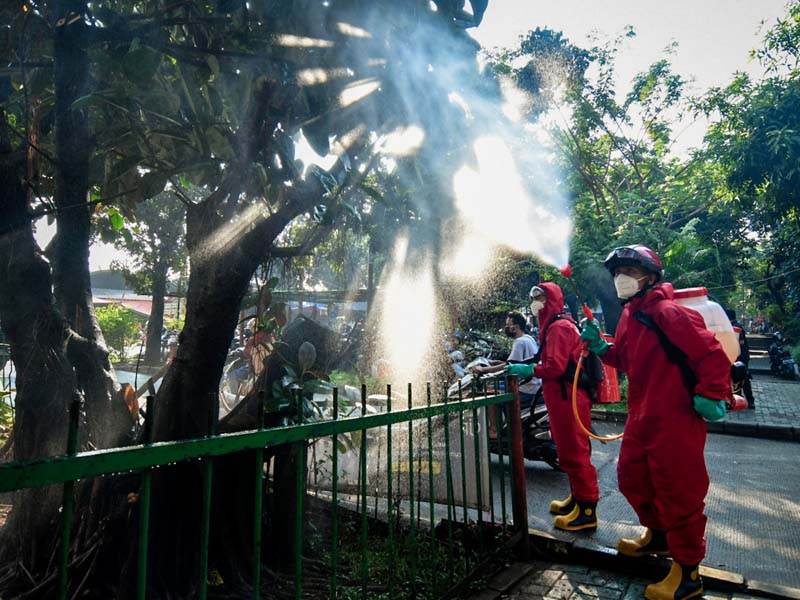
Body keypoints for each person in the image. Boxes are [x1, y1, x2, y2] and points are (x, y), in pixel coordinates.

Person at [580, 245, 731, 600]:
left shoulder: (669, 313)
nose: (622, 278)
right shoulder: (631, 316)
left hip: (675, 419)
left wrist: (711, 394)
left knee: (679, 491)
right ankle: (659, 537)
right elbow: (626, 357)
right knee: (633, 479)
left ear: (650, 276)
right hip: (642, 416)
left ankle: (688, 574)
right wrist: (601, 347)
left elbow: (712, 355)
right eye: (619, 272)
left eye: (631, 271)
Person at [506, 283, 600, 532]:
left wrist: (529, 370)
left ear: (553, 300)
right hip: (559, 397)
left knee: (576, 453)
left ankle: (587, 511)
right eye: (534, 298)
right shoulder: (550, 326)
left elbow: (555, 368)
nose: (537, 303)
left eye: (541, 298)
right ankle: (577, 498)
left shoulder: (559, 327)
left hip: (568, 396)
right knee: (567, 451)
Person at [471, 310, 539, 406]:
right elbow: (519, 362)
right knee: (496, 386)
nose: (506, 328)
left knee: (491, 398)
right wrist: (495, 362)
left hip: (526, 389)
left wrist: (483, 369)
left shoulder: (519, 342)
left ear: (516, 327)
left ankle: (501, 421)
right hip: (535, 385)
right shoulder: (528, 338)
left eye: (508, 325)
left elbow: (509, 366)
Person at [725, 308, 755, 409]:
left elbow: (739, 344)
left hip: (740, 357)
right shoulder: (733, 326)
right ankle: (738, 399)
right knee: (736, 377)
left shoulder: (736, 328)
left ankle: (750, 401)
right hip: (738, 356)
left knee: (743, 378)